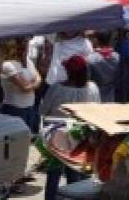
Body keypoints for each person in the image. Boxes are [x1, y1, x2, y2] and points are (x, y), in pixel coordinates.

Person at [39, 56, 100, 199]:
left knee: (53, 175)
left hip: (57, 138)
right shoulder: (93, 88)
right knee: (75, 174)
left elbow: (42, 110)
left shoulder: (56, 88)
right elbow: (97, 111)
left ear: (68, 71)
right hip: (81, 138)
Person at [0, 39, 40, 133]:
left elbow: (38, 78)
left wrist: (33, 84)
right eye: (22, 46)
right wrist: (35, 83)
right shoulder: (8, 65)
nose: (25, 49)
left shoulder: (28, 61)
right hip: (14, 110)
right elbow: (25, 87)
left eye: (26, 46)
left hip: (30, 108)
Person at [86, 31, 121, 103]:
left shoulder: (90, 59)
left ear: (96, 40)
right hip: (112, 96)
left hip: (95, 97)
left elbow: (87, 80)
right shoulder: (117, 57)